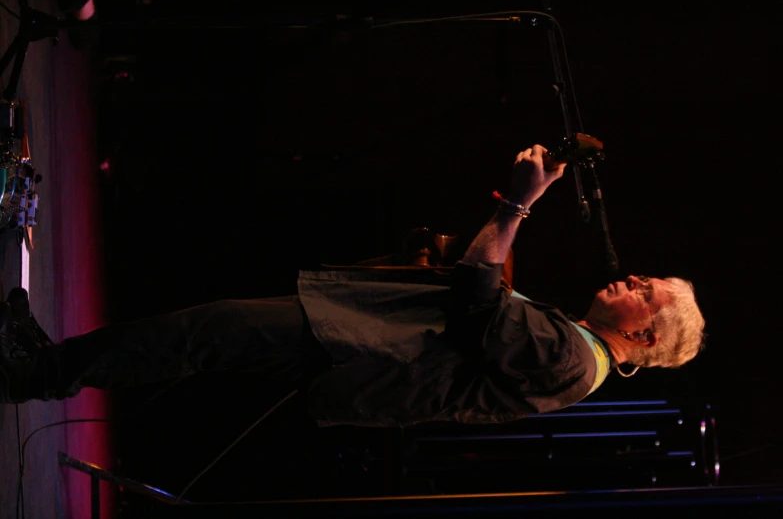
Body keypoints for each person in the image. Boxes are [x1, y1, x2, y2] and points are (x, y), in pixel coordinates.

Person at [0, 145, 706, 427]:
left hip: (351, 350)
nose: (634, 279)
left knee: (195, 336)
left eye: (648, 291)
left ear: (643, 334)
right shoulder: (575, 347)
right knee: (198, 333)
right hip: (351, 341)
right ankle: (49, 360)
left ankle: (37, 372)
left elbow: (476, 297)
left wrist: (519, 204)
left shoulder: (572, 360)